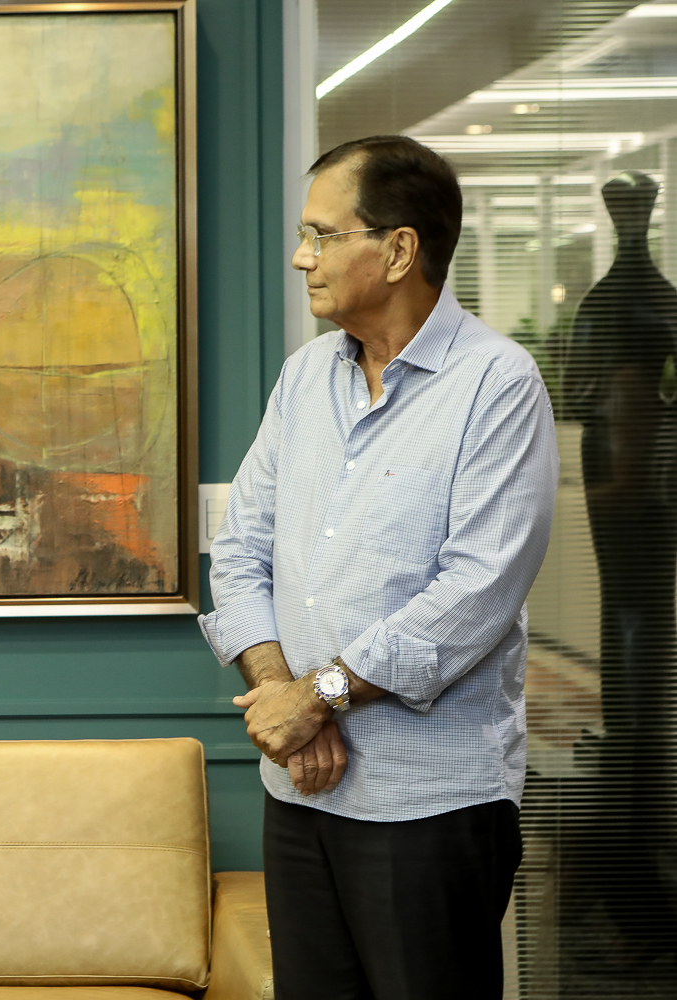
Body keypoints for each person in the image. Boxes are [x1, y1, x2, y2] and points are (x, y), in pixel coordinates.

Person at [197, 136, 558, 998]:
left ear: (398, 250)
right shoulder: (303, 380)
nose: (302, 258)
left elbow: (473, 594)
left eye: (321, 236)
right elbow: (240, 549)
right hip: (300, 793)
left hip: (428, 804)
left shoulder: (497, 385)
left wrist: (316, 698)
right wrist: (286, 694)